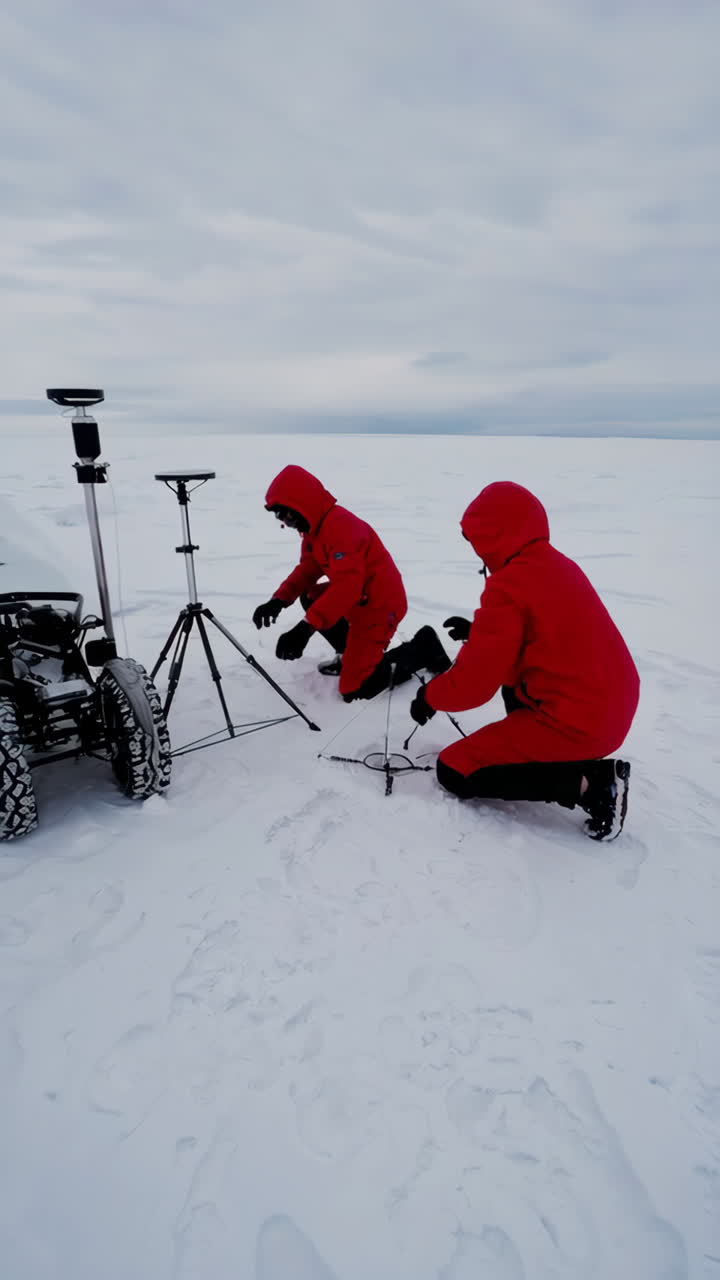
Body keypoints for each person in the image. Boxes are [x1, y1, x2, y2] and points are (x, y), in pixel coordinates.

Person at [404, 481, 640, 841]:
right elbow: (544, 634)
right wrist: (479, 633)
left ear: (491, 534)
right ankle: (552, 754)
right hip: (610, 704)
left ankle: (593, 787)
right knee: (512, 683)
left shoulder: (508, 585)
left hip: (579, 721)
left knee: (455, 769)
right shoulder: (555, 563)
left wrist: (430, 696)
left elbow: (474, 684)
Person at [253, 465, 422, 702]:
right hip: (359, 597)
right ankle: (349, 654)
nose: (284, 521)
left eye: (285, 513)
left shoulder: (342, 528)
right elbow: (308, 569)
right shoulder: (314, 528)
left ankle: (423, 649)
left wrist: (305, 628)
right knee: (311, 596)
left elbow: (347, 588)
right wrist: (279, 600)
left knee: (355, 689)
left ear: (302, 504)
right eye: (278, 515)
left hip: (381, 605)